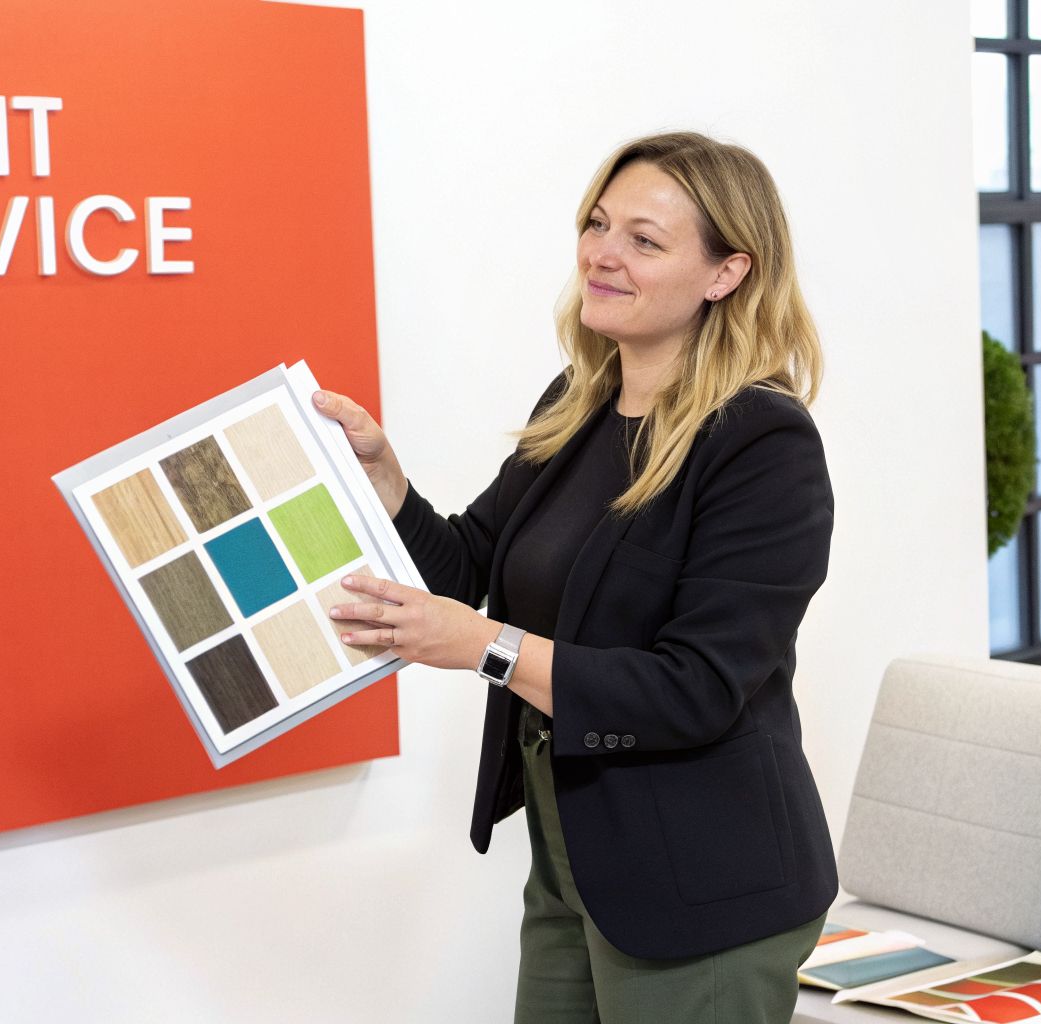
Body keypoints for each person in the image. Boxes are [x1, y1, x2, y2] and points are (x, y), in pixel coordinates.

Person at [314, 130, 835, 1023]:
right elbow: (472, 564)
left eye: (645, 238)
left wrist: (483, 649)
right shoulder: (577, 402)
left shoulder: (762, 444)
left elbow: (697, 690)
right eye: (599, 224)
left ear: (727, 273)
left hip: (704, 882)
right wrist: (384, 477)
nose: (603, 254)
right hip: (575, 860)